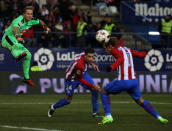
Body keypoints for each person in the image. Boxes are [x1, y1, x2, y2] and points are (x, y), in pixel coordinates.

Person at [95, 37, 168, 125]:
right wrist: (146, 53)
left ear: (110, 46)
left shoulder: (114, 50)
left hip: (123, 81)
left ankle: (108, 116)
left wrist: (112, 67)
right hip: (133, 81)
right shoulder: (126, 49)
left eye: (105, 48)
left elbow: (120, 58)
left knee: (103, 91)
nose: (105, 50)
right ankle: (159, 117)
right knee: (140, 101)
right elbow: (139, 54)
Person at [1, 6, 50, 87]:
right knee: (16, 45)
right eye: (27, 14)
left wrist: (45, 27)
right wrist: (18, 36)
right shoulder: (19, 20)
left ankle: (26, 78)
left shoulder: (31, 20)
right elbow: (15, 29)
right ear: (23, 14)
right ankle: (18, 55)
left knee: (28, 55)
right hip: (7, 38)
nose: (29, 16)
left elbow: (40, 21)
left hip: (15, 40)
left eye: (31, 14)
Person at [48, 48, 101, 118]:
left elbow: (88, 62)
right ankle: (53, 106)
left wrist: (92, 64)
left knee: (95, 90)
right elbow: (80, 79)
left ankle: (95, 113)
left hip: (83, 74)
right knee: (68, 100)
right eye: (89, 57)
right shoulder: (79, 65)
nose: (91, 59)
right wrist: (93, 85)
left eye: (92, 57)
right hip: (71, 79)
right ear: (85, 56)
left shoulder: (84, 54)